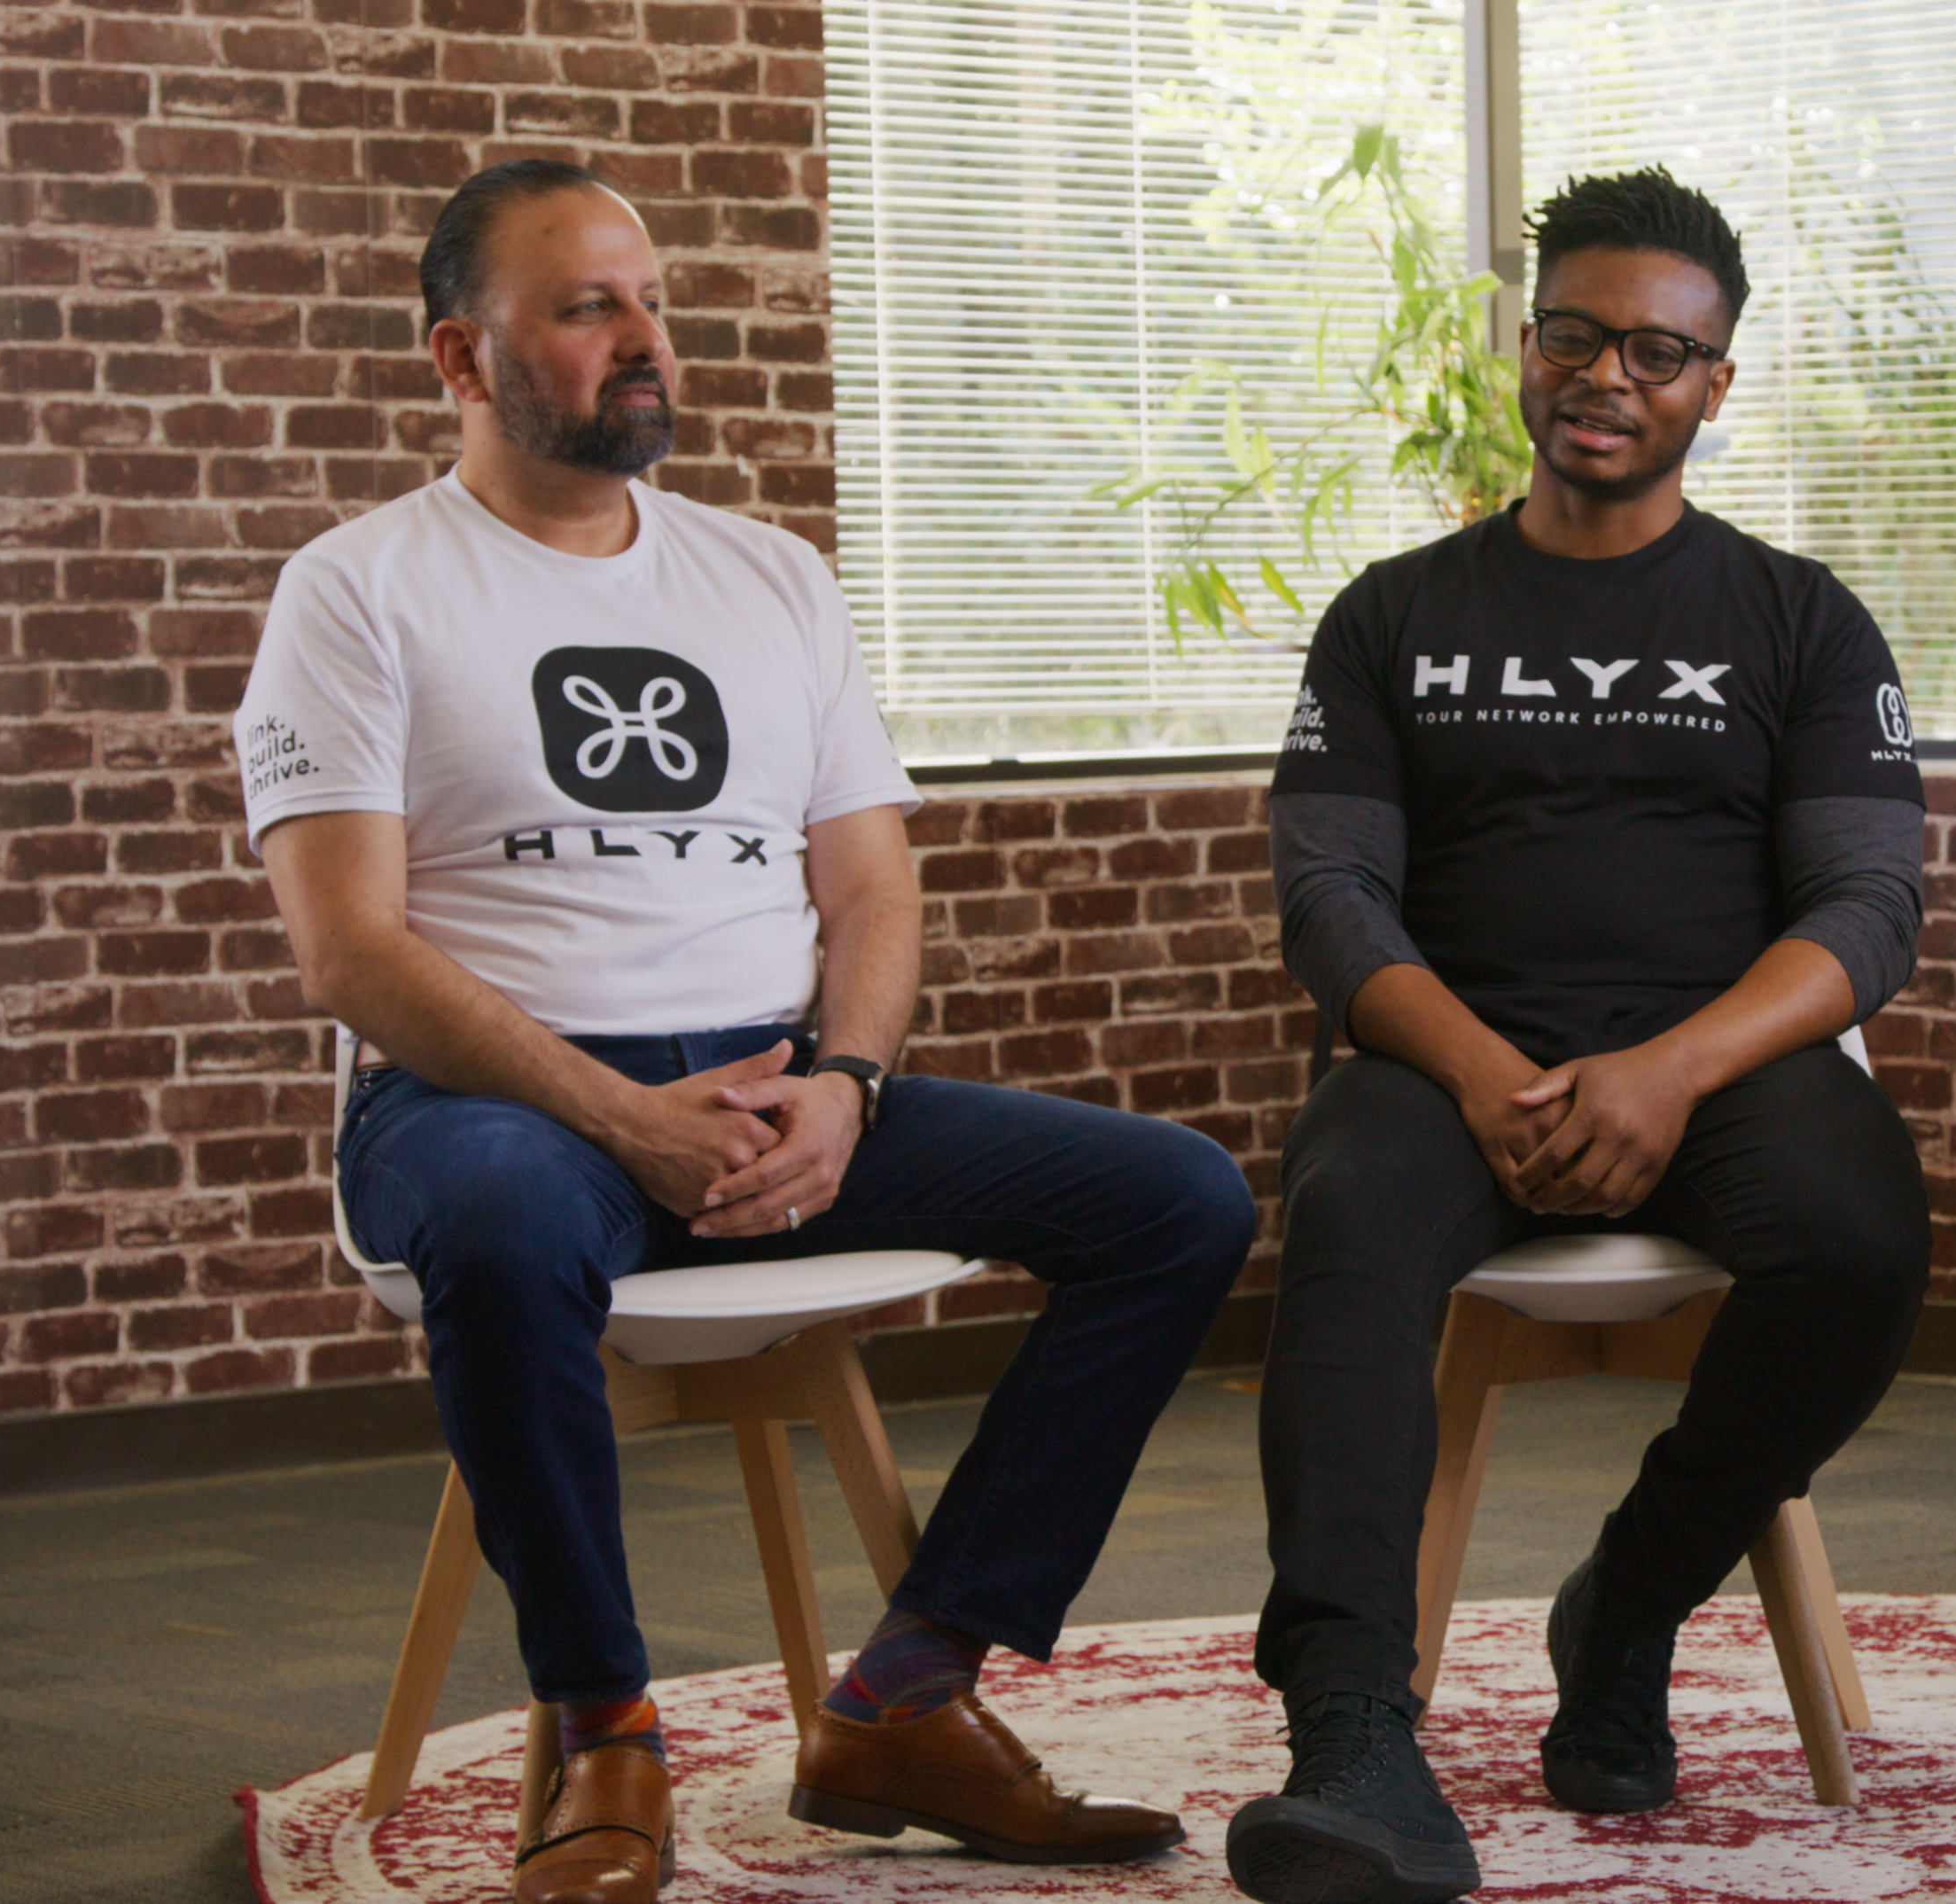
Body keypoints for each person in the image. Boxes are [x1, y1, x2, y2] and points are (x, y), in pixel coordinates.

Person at [240, 160, 1253, 1904]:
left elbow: (870, 889)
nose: (644, 339)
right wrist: (620, 1119)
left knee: (1178, 1199)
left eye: (649, 301)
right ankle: (605, 1733)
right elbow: (349, 950)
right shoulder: (360, 591)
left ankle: (908, 1695)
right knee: (501, 1221)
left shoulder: (769, 579)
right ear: (460, 359)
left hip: (773, 1087)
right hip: (494, 1101)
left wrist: (846, 1085)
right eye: (586, 309)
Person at [1219, 168, 1934, 1904]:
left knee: (1858, 1238)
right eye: (1574, 334)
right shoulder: (1393, 616)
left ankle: (1628, 1599)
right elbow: (1329, 900)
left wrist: (1670, 1069)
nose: (1608, 374)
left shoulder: (1799, 620)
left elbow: (1867, 910)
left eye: (1657, 351)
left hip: (1720, 1069)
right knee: (1349, 1218)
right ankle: (1351, 1734)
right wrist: (1481, 1070)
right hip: (1442, 1066)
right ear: (1525, 346)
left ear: (1715, 382)